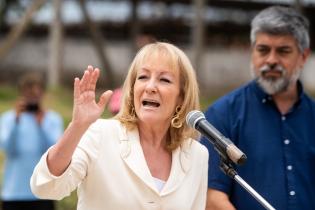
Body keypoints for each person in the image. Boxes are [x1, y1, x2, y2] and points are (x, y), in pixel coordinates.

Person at [30, 42, 209, 210]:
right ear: (132, 89)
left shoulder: (197, 155)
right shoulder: (100, 134)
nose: (150, 87)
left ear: (181, 97)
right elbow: (46, 187)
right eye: (143, 77)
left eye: (164, 80)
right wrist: (77, 125)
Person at [201, 6, 315, 210]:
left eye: (283, 51)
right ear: (252, 51)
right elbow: (212, 198)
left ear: (303, 56)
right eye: (263, 50)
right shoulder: (222, 114)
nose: (271, 60)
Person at [0, 73, 63, 210]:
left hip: (43, 193)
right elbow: (8, 149)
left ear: (42, 95)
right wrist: (16, 123)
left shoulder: (52, 119)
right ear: (21, 94)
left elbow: (56, 153)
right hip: (13, 193)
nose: (32, 99)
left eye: (36, 95)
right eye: (29, 95)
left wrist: (42, 126)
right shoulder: (8, 119)